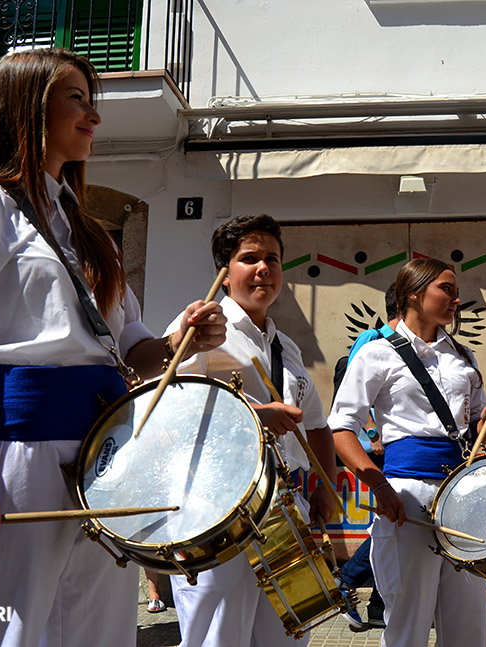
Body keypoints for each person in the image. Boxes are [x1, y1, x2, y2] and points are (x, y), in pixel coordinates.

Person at [0, 48, 226, 647]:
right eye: (77, 98)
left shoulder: (81, 224)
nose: (94, 118)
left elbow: (129, 350)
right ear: (27, 106)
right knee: (6, 633)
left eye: (92, 101)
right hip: (16, 463)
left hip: (103, 461)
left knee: (98, 633)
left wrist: (179, 340)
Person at [166, 214, 337, 647]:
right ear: (225, 275)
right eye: (250, 259)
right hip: (217, 503)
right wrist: (255, 415)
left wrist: (325, 487)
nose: (264, 268)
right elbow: (171, 406)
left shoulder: (287, 345)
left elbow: (316, 424)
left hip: (286, 505)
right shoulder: (200, 327)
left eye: (273, 260)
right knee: (219, 635)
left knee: (286, 635)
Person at [329, 258, 486, 647]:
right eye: (447, 289)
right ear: (414, 291)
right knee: (407, 625)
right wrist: (378, 487)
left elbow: (478, 427)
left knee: (469, 628)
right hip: (407, 498)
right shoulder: (377, 354)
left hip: (466, 496)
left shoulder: (463, 356)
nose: (456, 299)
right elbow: (341, 429)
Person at [333, 284, 398, 632]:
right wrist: (372, 432)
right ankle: (345, 581)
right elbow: (350, 384)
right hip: (372, 446)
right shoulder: (373, 338)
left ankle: (377, 605)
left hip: (393, 447)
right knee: (390, 521)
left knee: (390, 524)